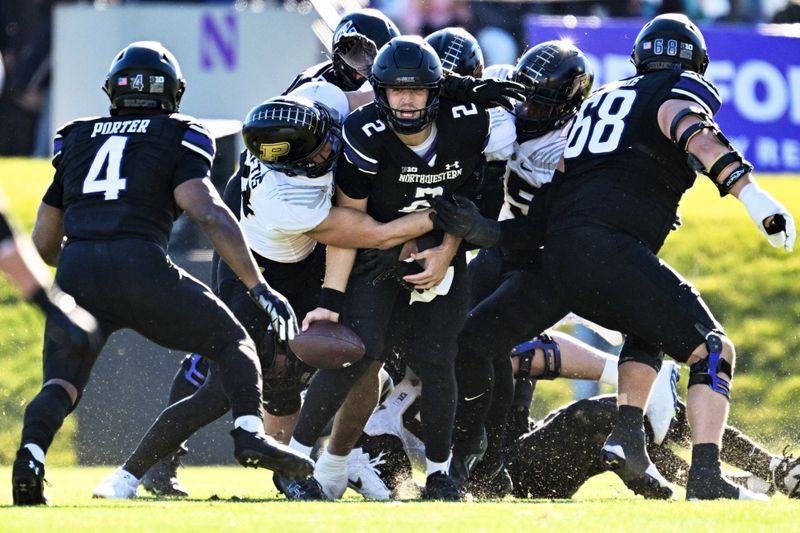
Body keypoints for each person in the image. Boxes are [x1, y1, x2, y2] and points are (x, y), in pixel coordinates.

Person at [431, 14, 795, 500]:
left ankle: (625, 438)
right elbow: (692, 130)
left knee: (478, 340)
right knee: (712, 350)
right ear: (696, 65)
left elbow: (547, 212)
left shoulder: (597, 106)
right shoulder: (671, 89)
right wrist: (752, 196)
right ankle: (706, 476)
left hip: (557, 254)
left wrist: (490, 231)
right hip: (608, 251)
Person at [92, 83, 439, 500]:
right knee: (232, 383)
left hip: (304, 259)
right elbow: (371, 234)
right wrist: (437, 216)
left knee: (364, 355)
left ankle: (332, 462)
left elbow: (363, 97)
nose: (333, 149)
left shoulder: (312, 108)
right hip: (259, 273)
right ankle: (130, 473)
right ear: (296, 164)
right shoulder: (286, 198)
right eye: (321, 151)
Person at [10, 41, 316, 506]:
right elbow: (207, 211)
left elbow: (44, 243)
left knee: (62, 382)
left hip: (78, 270)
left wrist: (88, 263)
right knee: (235, 345)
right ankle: (249, 433)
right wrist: (258, 286)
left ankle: (31, 456)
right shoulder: (180, 132)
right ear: (173, 92)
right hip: (142, 264)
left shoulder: (76, 136)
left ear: (114, 90)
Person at [283, 35, 525, 501]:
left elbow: (472, 204)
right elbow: (348, 220)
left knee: (439, 360)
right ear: (380, 91)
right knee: (359, 351)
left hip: (440, 251)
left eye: (417, 89)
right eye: (396, 90)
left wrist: (446, 250)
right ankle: (294, 463)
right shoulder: (364, 131)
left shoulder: (472, 123)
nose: (407, 99)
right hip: (376, 255)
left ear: (437, 92)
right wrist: (331, 302)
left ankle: (439, 474)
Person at [353, 365, 800, 500]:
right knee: (602, 416)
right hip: (500, 482)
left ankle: (767, 471)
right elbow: (398, 490)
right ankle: (724, 483)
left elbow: (550, 351)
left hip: (524, 455)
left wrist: (623, 373)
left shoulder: (471, 335)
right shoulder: (386, 407)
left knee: (632, 411)